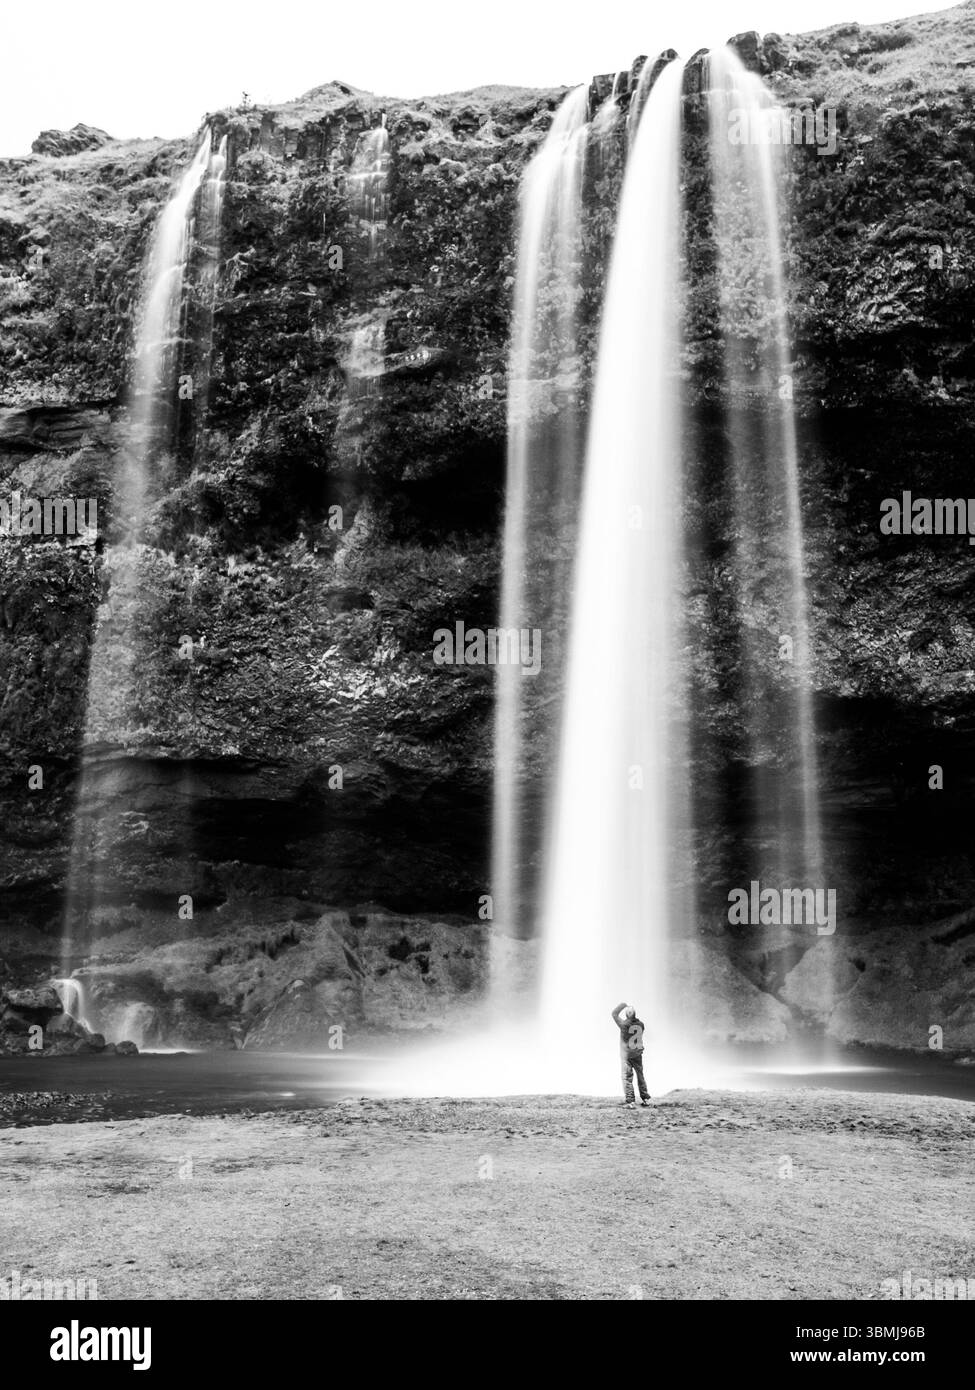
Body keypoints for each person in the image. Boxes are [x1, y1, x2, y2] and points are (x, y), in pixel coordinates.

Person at [611, 1001, 651, 1109]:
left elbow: (614, 1014)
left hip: (627, 1056)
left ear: (626, 1015)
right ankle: (645, 1099)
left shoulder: (624, 1025)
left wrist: (622, 1005)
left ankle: (631, 1101)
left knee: (627, 1078)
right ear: (635, 1014)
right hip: (638, 1054)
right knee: (640, 1076)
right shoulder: (641, 1025)